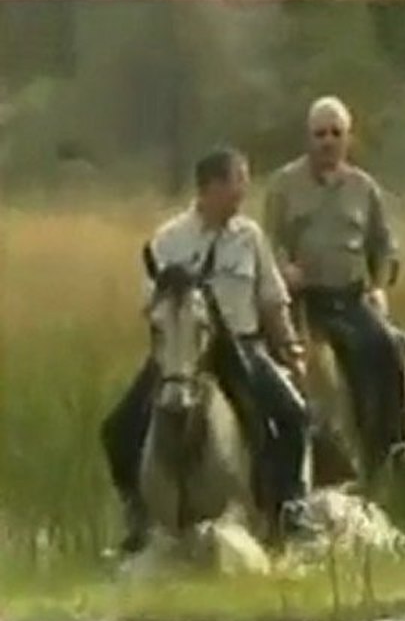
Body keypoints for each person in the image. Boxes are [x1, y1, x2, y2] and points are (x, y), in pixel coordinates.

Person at [100, 146, 317, 555]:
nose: (243, 192)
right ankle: (137, 515)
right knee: (117, 428)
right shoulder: (168, 240)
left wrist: (289, 347)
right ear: (211, 187)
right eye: (238, 182)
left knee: (292, 414)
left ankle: (291, 508)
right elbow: (151, 307)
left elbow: (272, 300)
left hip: (242, 346)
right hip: (180, 350)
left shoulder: (250, 236)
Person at [262, 96, 405, 479]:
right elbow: (269, 242)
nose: (327, 141)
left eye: (335, 133)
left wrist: (379, 286)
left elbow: (385, 246)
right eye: (320, 134)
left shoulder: (365, 188)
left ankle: (394, 450)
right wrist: (284, 269)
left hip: (352, 299)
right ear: (308, 138)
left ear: (348, 138)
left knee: (388, 350)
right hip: (303, 303)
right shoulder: (283, 186)